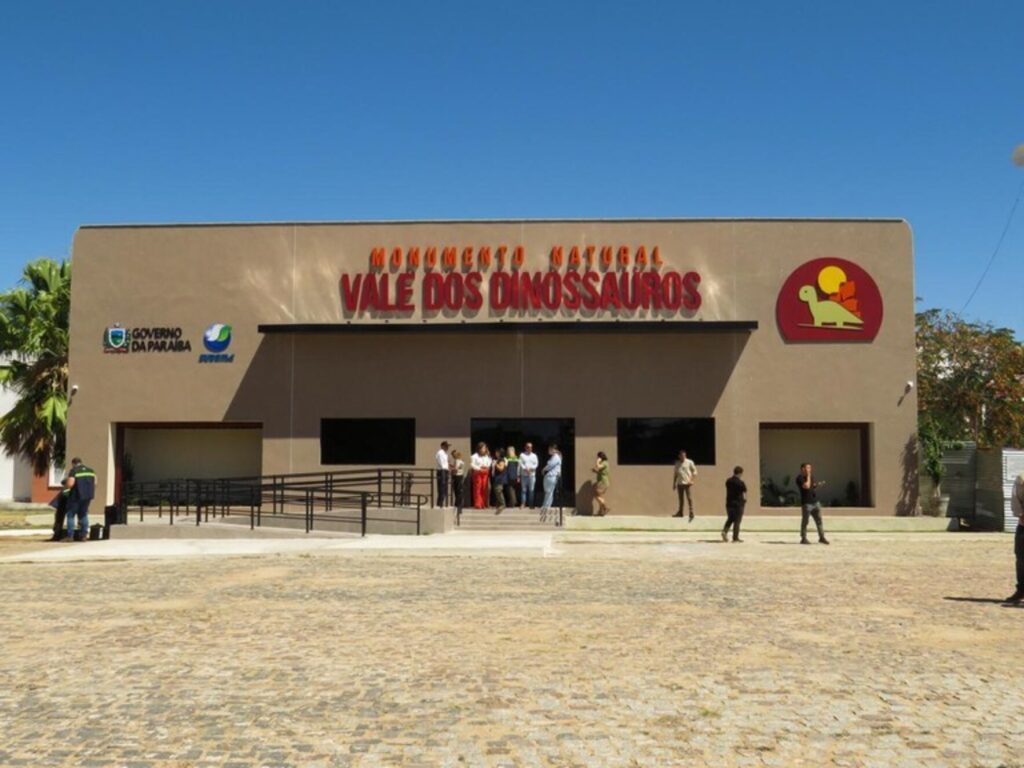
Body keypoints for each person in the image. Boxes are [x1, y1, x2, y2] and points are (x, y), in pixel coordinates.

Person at [796, 462, 829, 545]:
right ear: (803, 469)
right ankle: (803, 538)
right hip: (807, 503)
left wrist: (818, 484)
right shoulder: (799, 478)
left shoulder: (811, 477)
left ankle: (821, 537)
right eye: (808, 468)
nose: (810, 470)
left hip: (815, 502)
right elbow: (806, 486)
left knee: (819, 520)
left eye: (810, 468)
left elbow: (812, 486)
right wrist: (808, 476)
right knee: (805, 521)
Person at [64, 457, 97, 542]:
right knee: (83, 514)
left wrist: (65, 486)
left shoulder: (74, 471)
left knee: (70, 515)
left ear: (73, 463)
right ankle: (84, 536)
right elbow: (95, 482)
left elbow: (70, 484)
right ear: (81, 462)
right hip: (87, 496)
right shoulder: (91, 471)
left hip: (76, 496)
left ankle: (70, 536)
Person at [1006, 472, 1024, 603]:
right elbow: (1015, 497)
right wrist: (1021, 514)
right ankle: (1022, 590)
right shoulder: (1021, 478)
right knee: (1021, 558)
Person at [723, 466, 746, 542]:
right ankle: (735, 538)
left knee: (730, 518)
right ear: (739, 473)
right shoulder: (741, 483)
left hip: (729, 503)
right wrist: (744, 501)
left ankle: (724, 531)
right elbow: (744, 493)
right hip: (738, 504)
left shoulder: (728, 481)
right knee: (737, 521)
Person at [672, 450, 697, 520]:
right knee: (681, 499)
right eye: (681, 456)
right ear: (679, 456)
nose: (683, 457)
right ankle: (680, 512)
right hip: (679, 483)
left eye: (684, 455)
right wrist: (674, 483)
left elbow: (695, 472)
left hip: (687, 483)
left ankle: (691, 512)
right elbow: (675, 474)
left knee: (689, 498)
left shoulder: (689, 462)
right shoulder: (677, 463)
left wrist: (691, 480)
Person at [48, 471, 72, 542]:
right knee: (59, 520)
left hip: (62, 505)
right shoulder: (66, 490)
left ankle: (57, 534)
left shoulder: (66, 490)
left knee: (59, 520)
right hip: (62, 505)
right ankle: (57, 534)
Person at [540, 444, 562, 514]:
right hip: (549, 476)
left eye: (549, 449)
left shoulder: (556, 457)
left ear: (553, 449)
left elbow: (550, 465)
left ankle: (546, 507)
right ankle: (545, 506)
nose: (548, 451)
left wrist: (543, 469)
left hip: (551, 476)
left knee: (549, 492)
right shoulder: (554, 457)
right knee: (548, 492)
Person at [470, 443, 492, 509]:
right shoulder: (474, 456)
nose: (484, 449)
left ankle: (483, 504)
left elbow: (489, 463)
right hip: (478, 473)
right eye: (483, 448)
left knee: (484, 488)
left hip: (485, 472)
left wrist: (487, 466)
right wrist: (479, 468)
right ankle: (478, 504)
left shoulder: (487, 456)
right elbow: (472, 464)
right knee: (478, 488)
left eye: (485, 448)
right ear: (479, 449)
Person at [519, 442, 539, 508]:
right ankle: (523, 504)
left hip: (532, 475)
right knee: (523, 490)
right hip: (524, 475)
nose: (529, 448)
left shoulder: (534, 455)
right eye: (528, 447)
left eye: (531, 447)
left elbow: (536, 464)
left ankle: (531, 504)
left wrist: (531, 468)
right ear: (525, 447)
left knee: (531, 490)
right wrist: (525, 468)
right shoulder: (522, 455)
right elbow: (521, 463)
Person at [591, 451, 610, 516]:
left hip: (602, 482)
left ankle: (605, 507)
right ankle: (601, 512)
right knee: (600, 496)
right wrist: (595, 471)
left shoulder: (605, 463)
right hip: (603, 481)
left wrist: (597, 461)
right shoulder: (605, 463)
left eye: (598, 457)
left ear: (600, 457)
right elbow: (602, 473)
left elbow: (599, 467)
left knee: (596, 495)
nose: (597, 458)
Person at [491, 449, 508, 513]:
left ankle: (503, 504)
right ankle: (498, 504)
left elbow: (501, 468)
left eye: (497, 452)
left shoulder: (501, 460)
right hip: (496, 478)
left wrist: (495, 464)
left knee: (498, 490)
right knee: (496, 490)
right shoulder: (497, 459)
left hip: (500, 478)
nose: (496, 453)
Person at [435, 440, 451, 508]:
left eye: (447, 446)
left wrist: (448, 469)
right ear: (442, 446)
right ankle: (440, 503)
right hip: (442, 470)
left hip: (445, 470)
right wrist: (444, 469)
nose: (447, 447)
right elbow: (441, 462)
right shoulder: (440, 453)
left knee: (444, 487)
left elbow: (446, 463)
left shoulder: (445, 454)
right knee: (442, 486)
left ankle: (441, 502)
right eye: (446, 446)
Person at [451, 450, 466, 519]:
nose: (453, 456)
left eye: (453, 455)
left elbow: (456, 469)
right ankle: (459, 506)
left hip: (457, 477)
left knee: (457, 492)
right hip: (461, 476)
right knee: (459, 492)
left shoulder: (457, 461)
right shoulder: (462, 461)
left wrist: (451, 470)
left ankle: (457, 506)